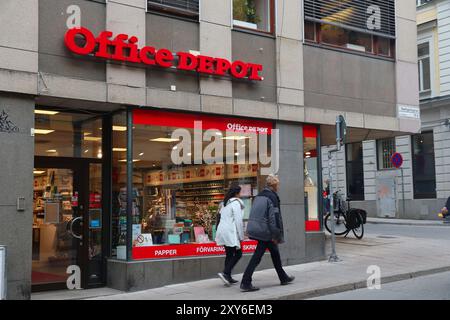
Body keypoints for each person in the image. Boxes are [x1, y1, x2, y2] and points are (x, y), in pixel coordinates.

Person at [240, 174, 295, 292]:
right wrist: (276, 234)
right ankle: (245, 282)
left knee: (275, 253)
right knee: (257, 257)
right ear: (274, 185)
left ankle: (283, 277)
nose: (278, 186)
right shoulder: (272, 197)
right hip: (266, 231)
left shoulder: (259, 195)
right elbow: (273, 218)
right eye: (278, 184)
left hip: (257, 228)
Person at [215, 184, 245, 286]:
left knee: (229, 254)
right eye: (240, 193)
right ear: (236, 193)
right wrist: (241, 236)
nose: (240, 195)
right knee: (238, 254)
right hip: (230, 231)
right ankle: (225, 273)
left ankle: (228, 277)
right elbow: (238, 221)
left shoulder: (224, 203)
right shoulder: (236, 204)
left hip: (222, 231)